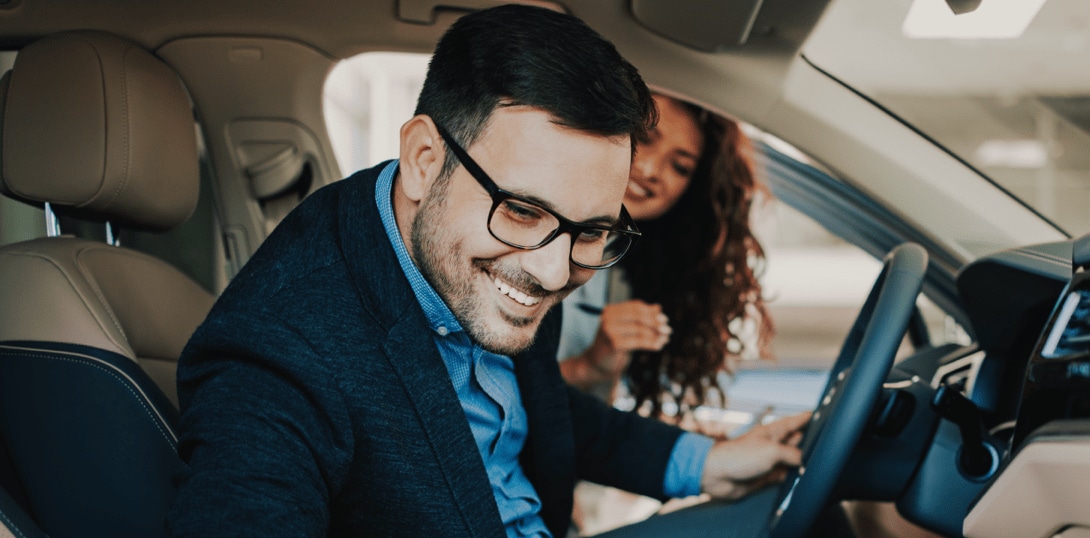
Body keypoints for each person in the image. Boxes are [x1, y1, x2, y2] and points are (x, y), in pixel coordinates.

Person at [166, 6, 806, 537]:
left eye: (592, 230)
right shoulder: (281, 349)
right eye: (523, 211)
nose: (555, 272)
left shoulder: (477, 253)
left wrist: (710, 463)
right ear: (423, 159)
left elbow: (544, 415)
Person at [557, 93, 773, 420]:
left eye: (680, 166)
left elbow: (594, 418)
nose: (650, 169)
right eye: (644, 138)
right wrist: (587, 366)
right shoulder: (530, 238)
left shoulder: (624, 267)